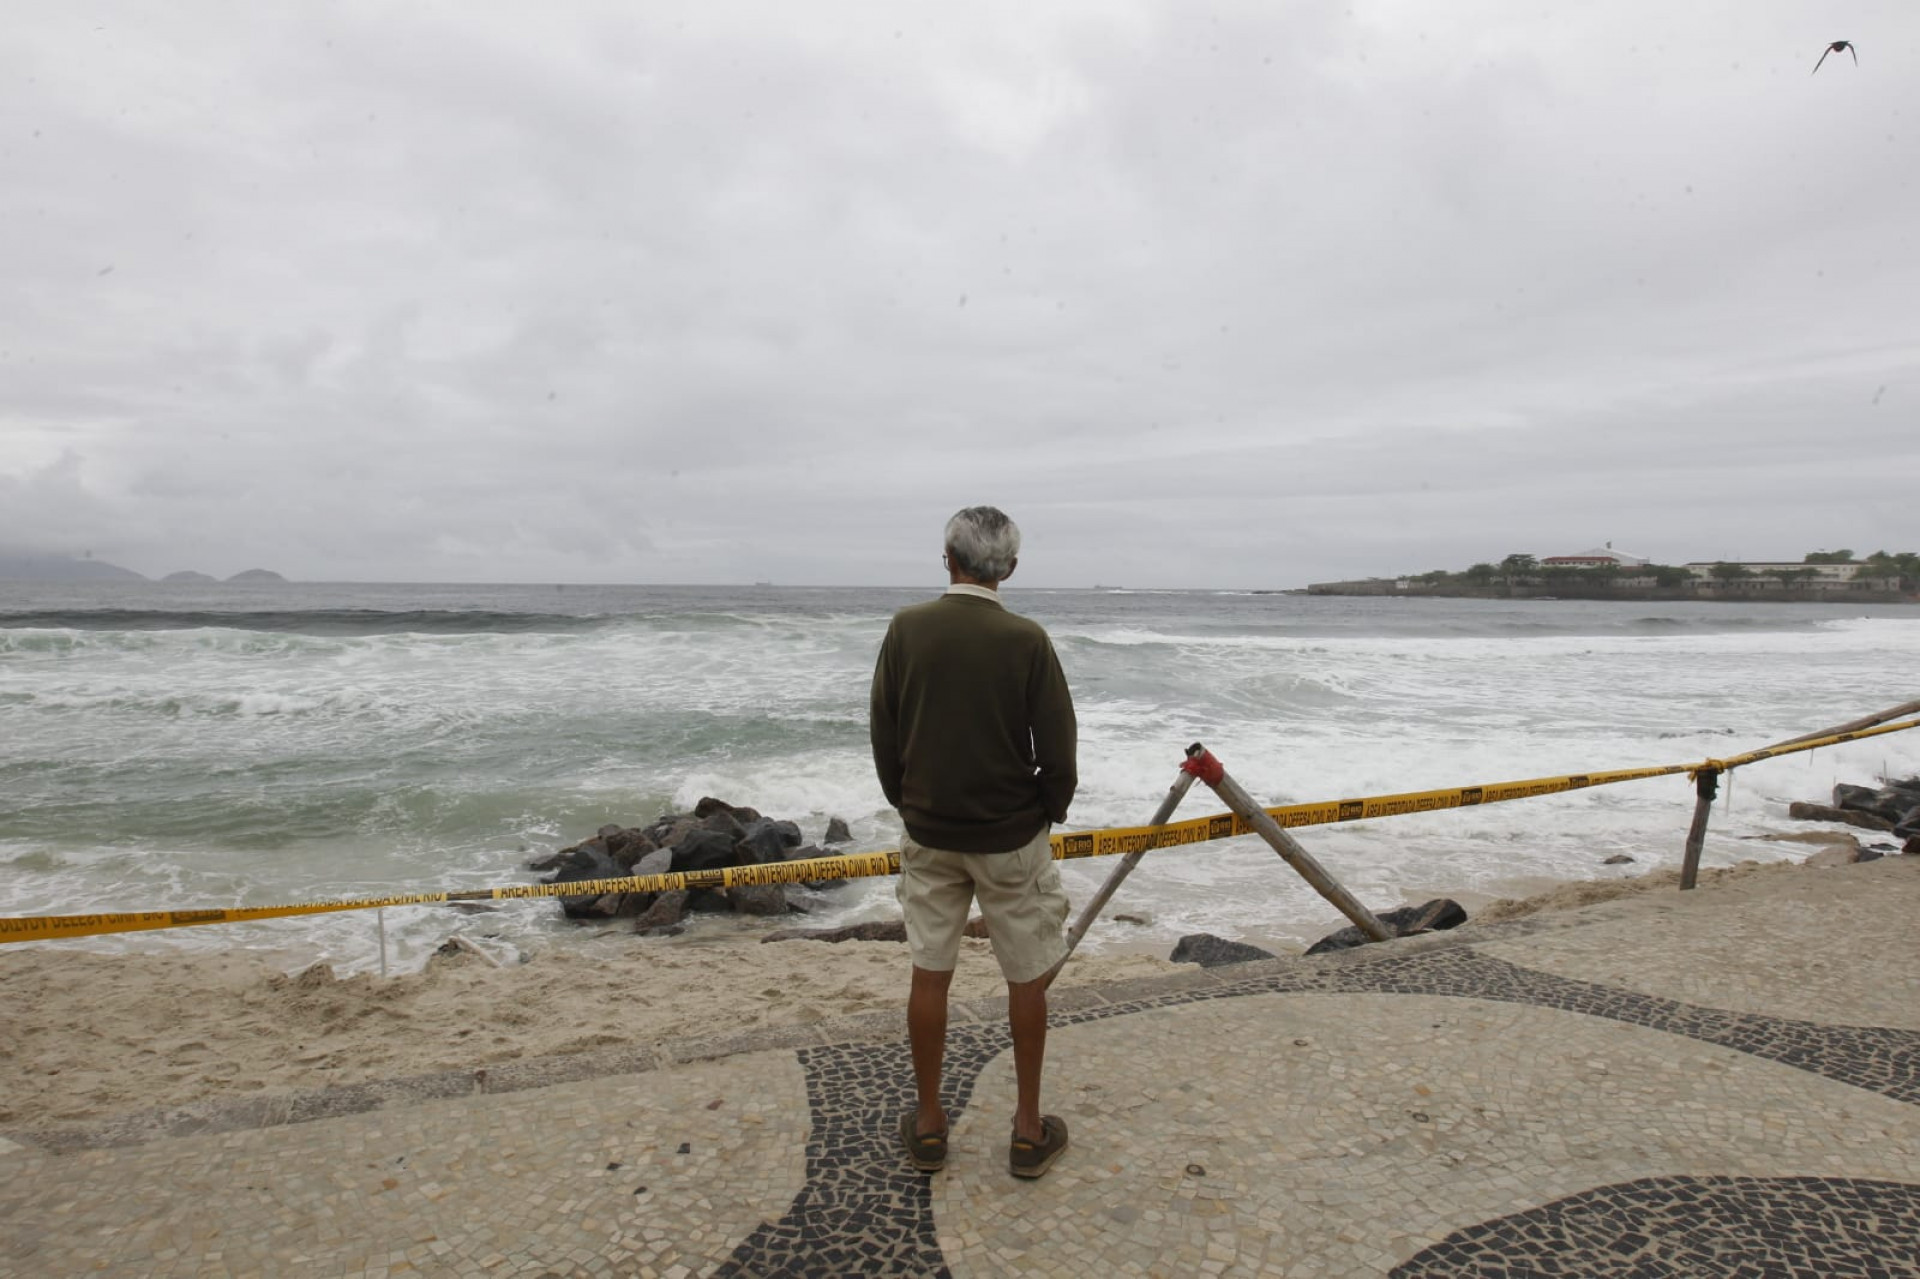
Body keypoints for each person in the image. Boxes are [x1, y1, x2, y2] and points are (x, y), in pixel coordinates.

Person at [870, 505, 1078, 1179]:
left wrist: (909, 800)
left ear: (947, 559)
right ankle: (1025, 1129)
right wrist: (1047, 810)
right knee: (1026, 973)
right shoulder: (1026, 639)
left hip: (931, 829)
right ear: (1009, 568)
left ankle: (929, 1124)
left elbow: (885, 729)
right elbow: (1059, 746)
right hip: (1011, 834)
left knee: (930, 972)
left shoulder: (907, 629)